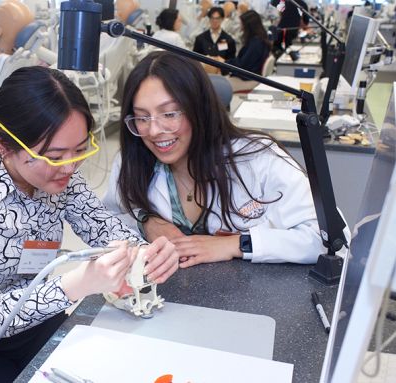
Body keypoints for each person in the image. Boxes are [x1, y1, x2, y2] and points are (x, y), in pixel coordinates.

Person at [0, 66, 178, 382]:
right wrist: (78, 283)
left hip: (35, 322)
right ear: (3, 144)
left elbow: (103, 228)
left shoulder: (63, 175)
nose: (69, 167)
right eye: (55, 155)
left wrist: (144, 252)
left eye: (80, 150)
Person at [103, 51, 338, 266]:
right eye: (142, 118)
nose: (154, 131)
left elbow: (329, 241)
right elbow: (106, 220)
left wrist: (236, 244)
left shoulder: (257, 159)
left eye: (169, 113)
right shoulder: (132, 160)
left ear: (198, 108)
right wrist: (146, 222)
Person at [217, 10, 271, 92]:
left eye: (242, 23)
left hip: (248, 78)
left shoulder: (255, 43)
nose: (241, 26)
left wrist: (224, 62)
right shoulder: (259, 39)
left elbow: (242, 65)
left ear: (248, 25)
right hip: (251, 75)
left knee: (216, 85)